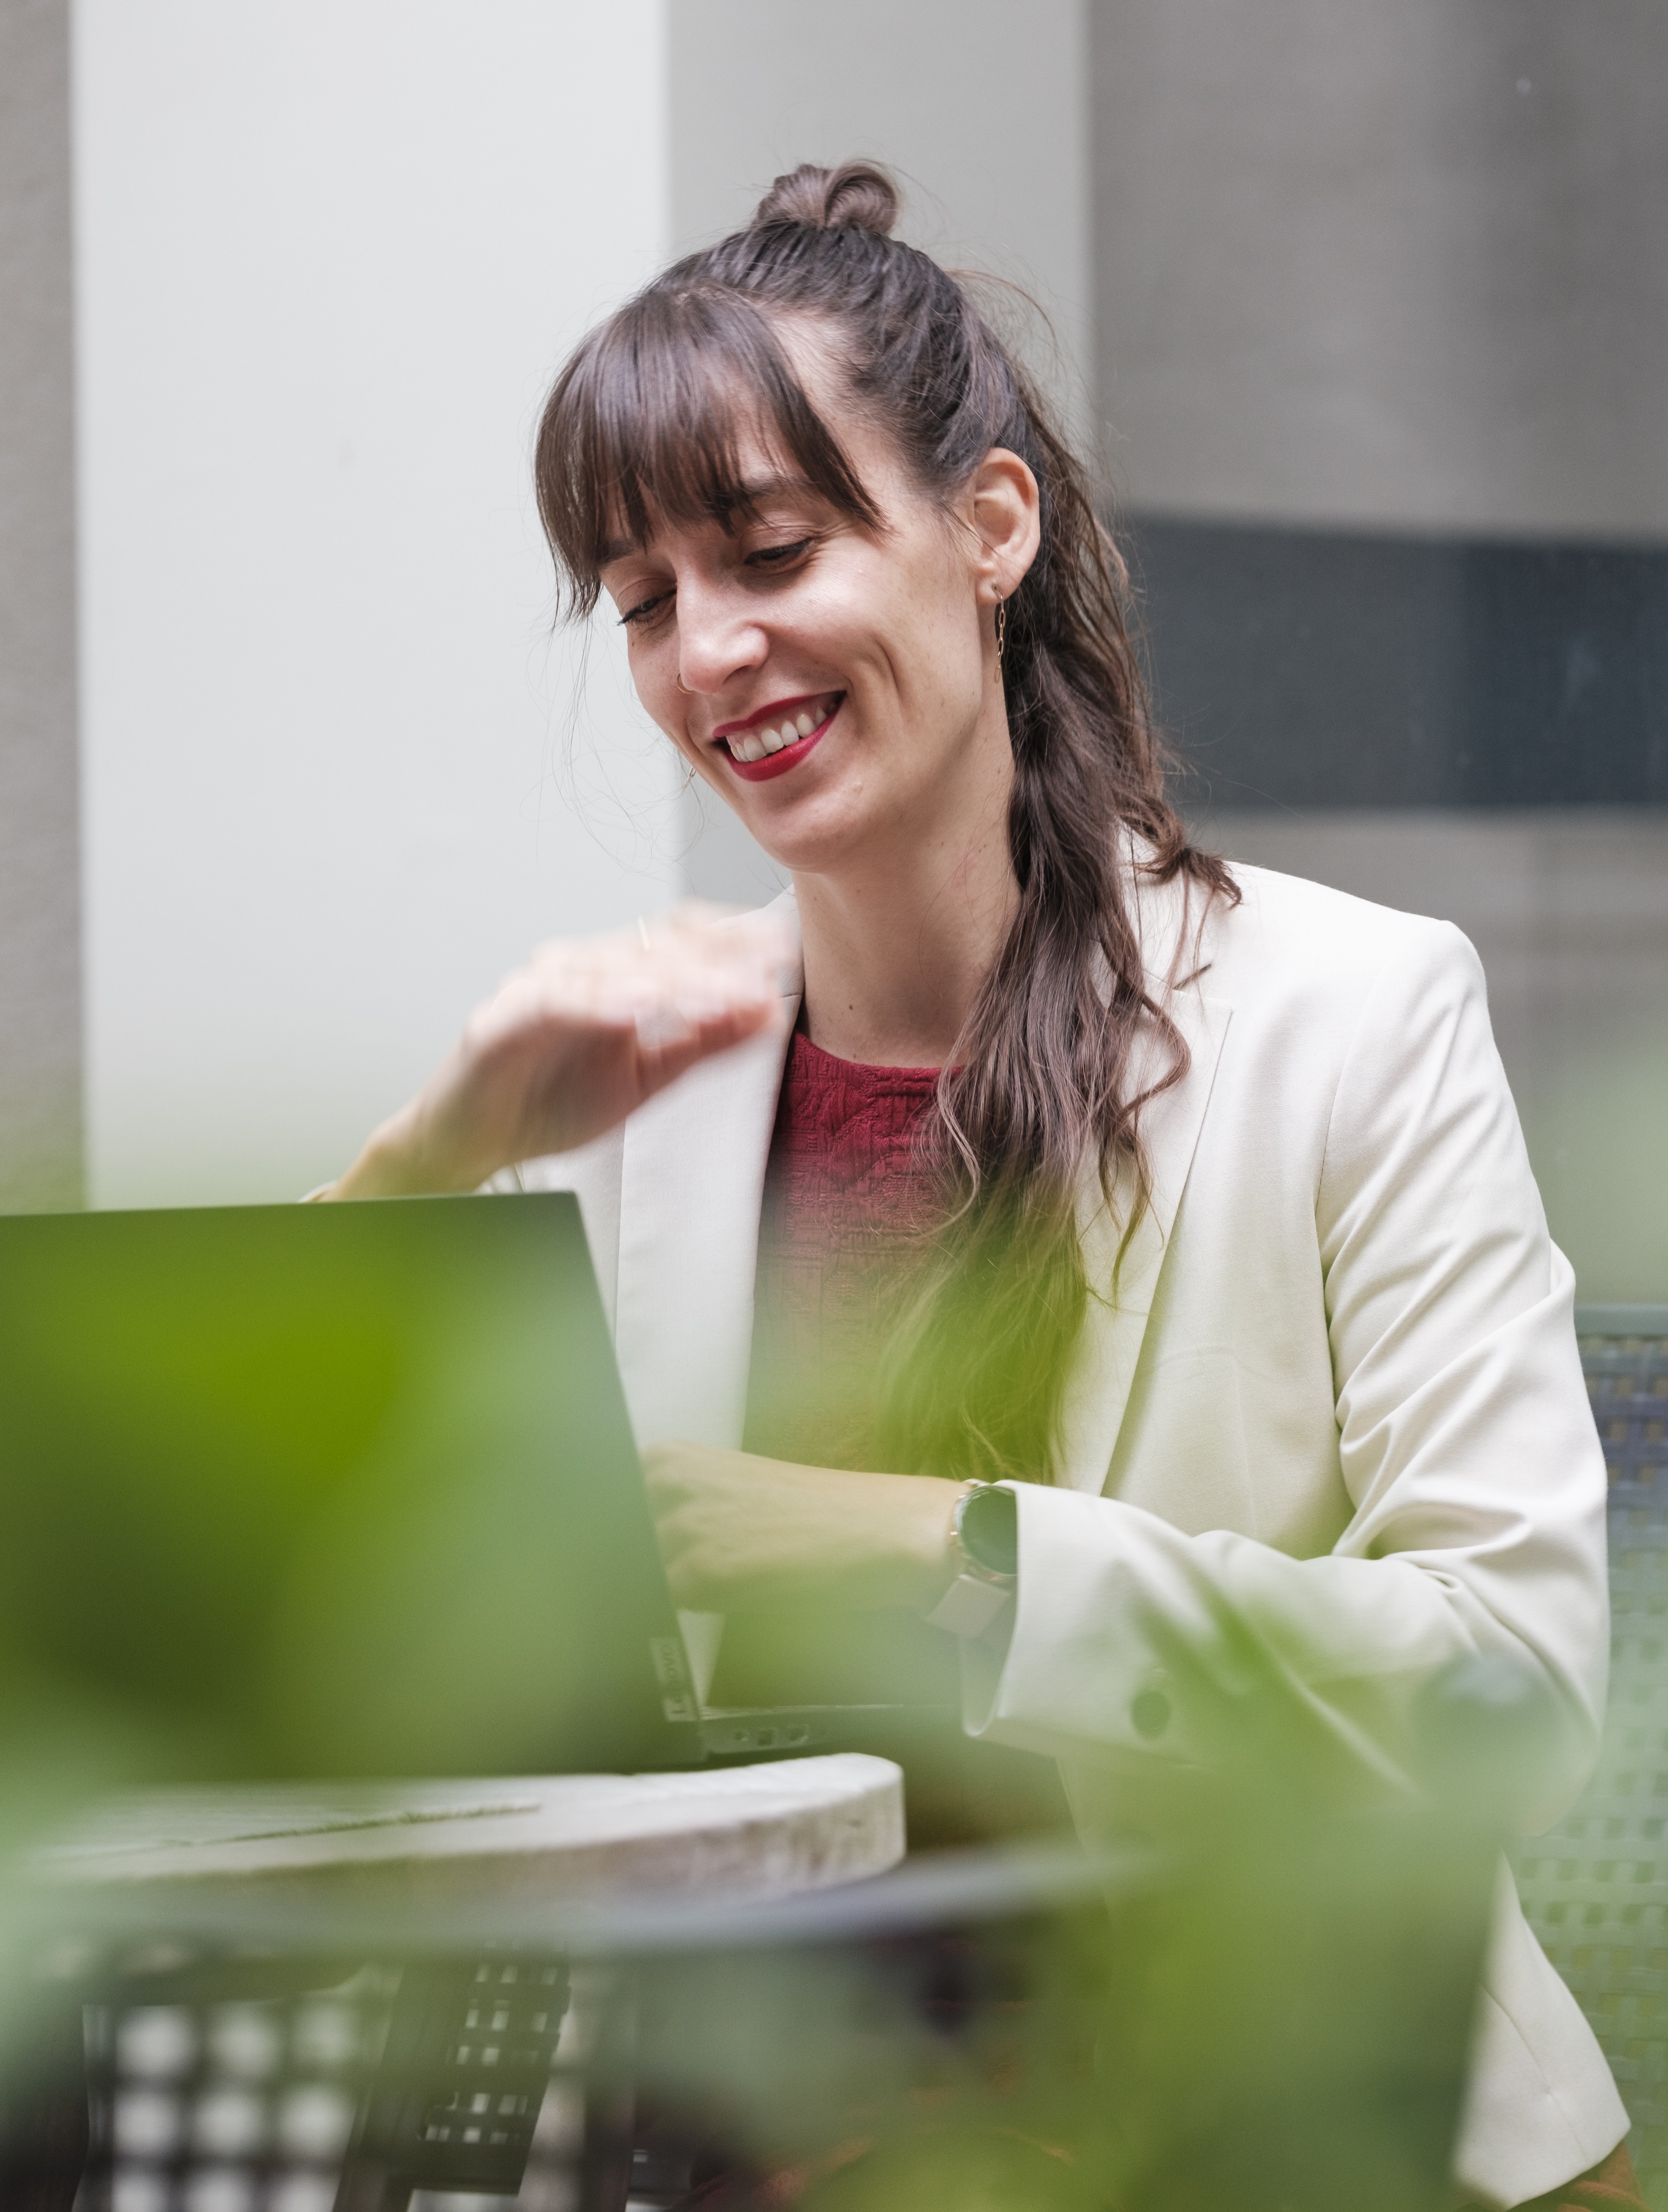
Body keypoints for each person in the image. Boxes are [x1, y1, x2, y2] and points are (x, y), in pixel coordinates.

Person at [321, 162, 1638, 2211]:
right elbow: (314, 1655)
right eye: (645, 598)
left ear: (991, 527)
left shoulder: (1355, 1011)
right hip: (749, 2140)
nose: (709, 650)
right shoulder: (628, 1076)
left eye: (771, 549)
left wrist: (950, 1554)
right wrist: (429, 1161)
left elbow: (1513, 1687)